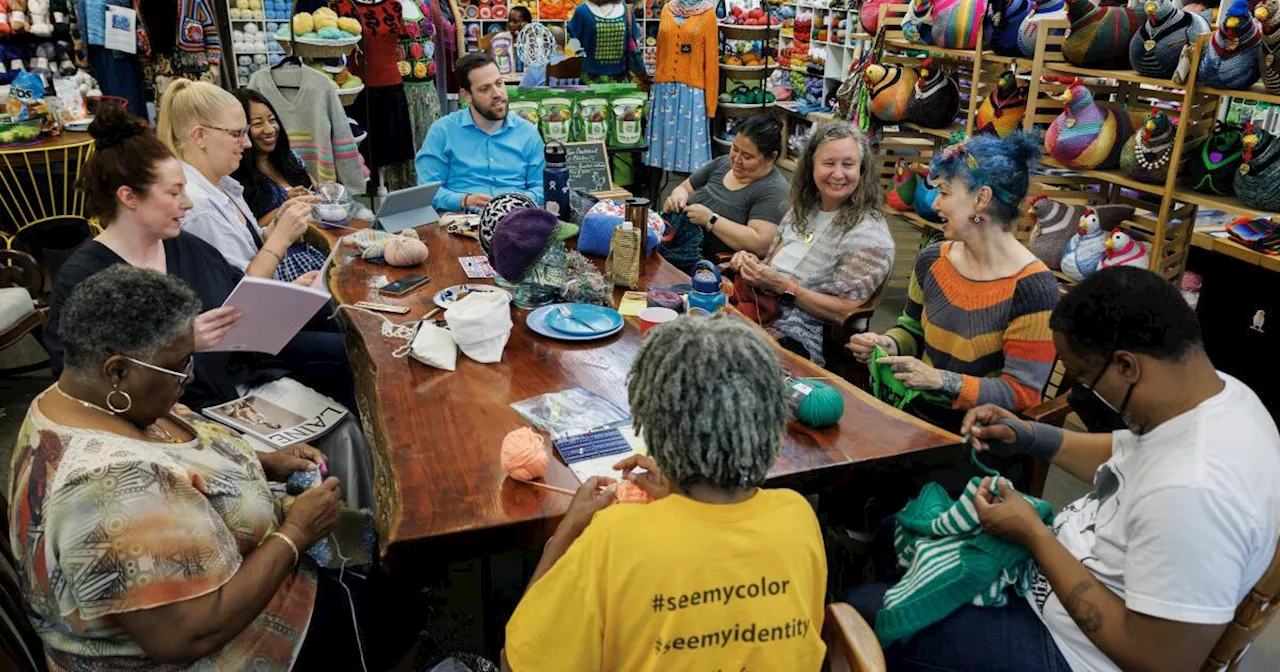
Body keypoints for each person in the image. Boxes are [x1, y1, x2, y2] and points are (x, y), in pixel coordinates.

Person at [846, 266, 1280, 672]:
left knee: (863, 611)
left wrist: (1033, 536)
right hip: (1057, 581)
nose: (1079, 393)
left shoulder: (1195, 494)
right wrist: (1028, 435)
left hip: (1068, 650)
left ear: (1127, 365)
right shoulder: (1216, 396)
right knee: (891, 533)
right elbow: (1128, 453)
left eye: (1082, 378)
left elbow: (1161, 660)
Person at [8, 264, 354, 669]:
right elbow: (188, 634)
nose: (186, 377)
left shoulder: (77, 395)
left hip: (256, 584)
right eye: (180, 364)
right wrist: (297, 532)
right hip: (226, 647)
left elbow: (178, 452)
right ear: (117, 370)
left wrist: (263, 462)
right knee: (399, 605)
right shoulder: (107, 485)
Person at [43, 104, 373, 510]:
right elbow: (78, 379)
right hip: (168, 420)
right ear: (128, 197)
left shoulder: (185, 247)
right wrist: (183, 341)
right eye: (174, 192)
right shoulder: (86, 278)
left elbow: (238, 305)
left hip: (241, 389)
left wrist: (288, 296)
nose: (187, 203)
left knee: (345, 432)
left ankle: (347, 552)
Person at [502, 315, 827, 671]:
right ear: (771, 423)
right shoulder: (797, 516)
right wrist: (675, 489)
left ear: (651, 427)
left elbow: (514, 663)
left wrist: (567, 531)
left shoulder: (615, 537)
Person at [848, 132, 1058, 431]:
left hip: (979, 436)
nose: (935, 204)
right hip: (914, 412)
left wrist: (940, 380)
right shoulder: (932, 260)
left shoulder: (1033, 289)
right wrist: (889, 343)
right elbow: (912, 330)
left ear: (981, 199)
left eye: (945, 193)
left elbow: (1022, 393)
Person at [728, 122, 894, 367]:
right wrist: (750, 263)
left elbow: (845, 311)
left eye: (848, 165)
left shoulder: (870, 238)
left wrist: (787, 288)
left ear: (862, 170)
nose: (838, 174)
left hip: (804, 335)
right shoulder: (805, 207)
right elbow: (773, 265)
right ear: (811, 167)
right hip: (760, 310)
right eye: (828, 163)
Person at [157, 78, 324, 281]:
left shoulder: (222, 185)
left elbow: (246, 246)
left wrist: (277, 224)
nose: (246, 143)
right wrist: (280, 238)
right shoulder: (199, 207)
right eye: (237, 133)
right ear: (200, 135)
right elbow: (240, 290)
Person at [658, 114, 789, 272]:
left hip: (705, 268)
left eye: (747, 156)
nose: (736, 160)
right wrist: (677, 198)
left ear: (771, 158)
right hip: (674, 246)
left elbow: (760, 243)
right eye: (735, 149)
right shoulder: (723, 163)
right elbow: (684, 188)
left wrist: (711, 220)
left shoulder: (774, 190)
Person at [415, 53, 545, 212]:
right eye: (485, 88)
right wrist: (464, 200)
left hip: (516, 220)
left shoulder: (528, 133)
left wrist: (515, 202)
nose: (497, 93)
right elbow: (427, 191)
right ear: (466, 95)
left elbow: (542, 187)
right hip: (460, 223)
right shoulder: (442, 132)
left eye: (499, 83)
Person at [230, 88, 316, 228]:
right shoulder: (233, 177)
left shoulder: (290, 159)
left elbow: (314, 189)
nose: (270, 129)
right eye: (258, 123)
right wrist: (285, 207)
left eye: (272, 120)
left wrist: (325, 191)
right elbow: (250, 231)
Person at [565, 0, 642, 83]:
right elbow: (573, 42)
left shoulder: (626, 11)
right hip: (590, 78)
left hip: (620, 78)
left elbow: (632, 43)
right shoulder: (582, 11)